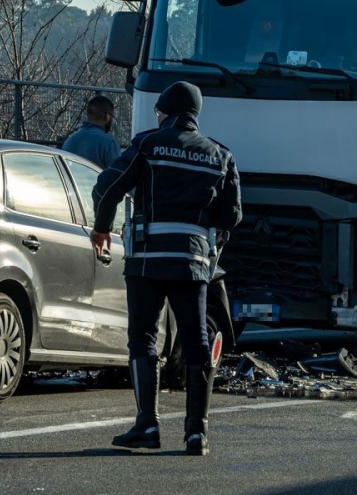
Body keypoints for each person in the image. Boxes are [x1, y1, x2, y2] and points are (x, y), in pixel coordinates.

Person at [90, 81, 240, 456]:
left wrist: (101, 228)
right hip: (192, 263)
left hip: (147, 260)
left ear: (167, 111)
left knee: (143, 338)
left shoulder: (149, 144)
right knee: (197, 342)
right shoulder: (220, 155)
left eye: (159, 111)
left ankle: (148, 425)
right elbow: (232, 214)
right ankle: (197, 433)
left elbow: (108, 186)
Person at [60, 95, 122, 169]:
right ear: (107, 115)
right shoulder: (109, 143)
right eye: (112, 116)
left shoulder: (69, 142)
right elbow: (117, 175)